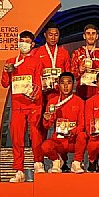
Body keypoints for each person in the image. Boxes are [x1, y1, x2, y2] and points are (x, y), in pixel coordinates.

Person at [0, 30, 42, 182]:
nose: (23, 44)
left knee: (35, 136)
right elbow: (5, 84)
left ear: (32, 44)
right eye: (21, 41)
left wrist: (34, 95)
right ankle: (19, 170)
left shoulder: (36, 62)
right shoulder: (11, 62)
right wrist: (6, 72)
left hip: (32, 105)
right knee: (17, 139)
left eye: (27, 41)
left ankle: (38, 162)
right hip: (17, 105)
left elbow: (38, 82)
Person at [33, 22, 71, 169]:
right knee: (39, 128)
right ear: (45, 35)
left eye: (56, 34)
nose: (53, 37)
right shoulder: (37, 52)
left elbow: (68, 74)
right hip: (42, 96)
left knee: (62, 126)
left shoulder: (63, 52)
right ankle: (38, 161)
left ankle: (63, 160)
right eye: (50, 34)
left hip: (59, 95)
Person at [41, 72, 88, 173]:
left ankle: (76, 163)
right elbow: (47, 126)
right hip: (59, 140)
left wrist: (72, 132)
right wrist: (46, 119)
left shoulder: (80, 102)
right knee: (45, 146)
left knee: (83, 136)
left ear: (74, 85)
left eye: (69, 83)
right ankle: (57, 161)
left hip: (73, 141)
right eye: (63, 83)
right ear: (58, 85)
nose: (66, 86)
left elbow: (82, 125)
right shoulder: (52, 102)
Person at [70, 24, 99, 100]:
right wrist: (79, 71)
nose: (91, 36)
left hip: (97, 92)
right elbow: (72, 74)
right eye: (88, 34)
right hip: (81, 91)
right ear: (84, 36)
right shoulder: (77, 53)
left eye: (93, 33)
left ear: (97, 36)